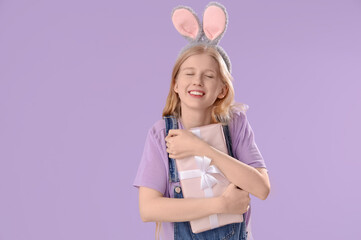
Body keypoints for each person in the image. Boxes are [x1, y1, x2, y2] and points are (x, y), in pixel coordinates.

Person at [133, 2, 270, 239]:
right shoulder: (160, 134)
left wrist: (201, 148)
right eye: (188, 73)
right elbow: (148, 208)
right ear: (175, 84)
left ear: (222, 90)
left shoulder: (235, 125)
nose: (197, 81)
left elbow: (261, 188)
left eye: (208, 76)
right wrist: (221, 205)